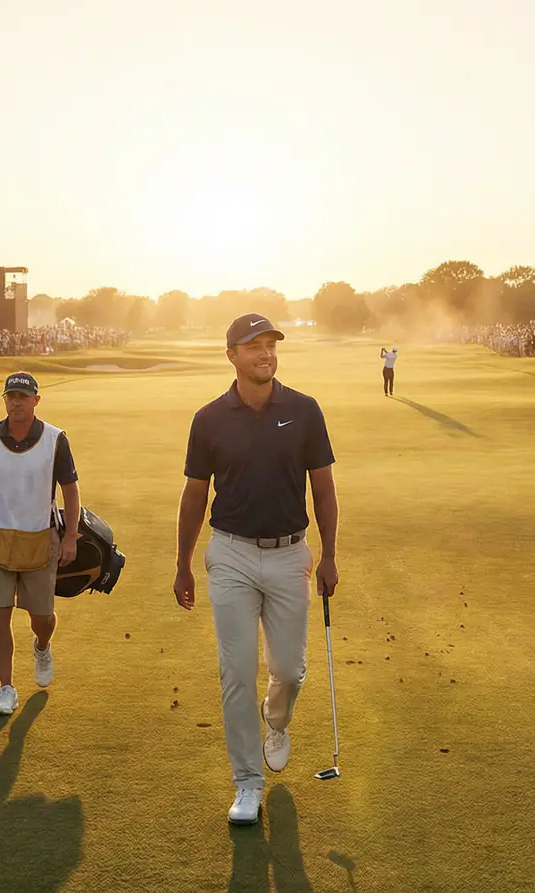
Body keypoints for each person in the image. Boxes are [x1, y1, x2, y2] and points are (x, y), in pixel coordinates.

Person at [173, 313, 339, 827]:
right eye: (253, 346)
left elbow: (324, 489)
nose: (265, 353)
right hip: (232, 555)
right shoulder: (209, 419)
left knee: (288, 670)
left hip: (291, 554)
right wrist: (182, 564)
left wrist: (329, 553)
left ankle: (277, 720)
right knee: (236, 675)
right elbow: (195, 495)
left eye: (270, 345)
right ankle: (247, 781)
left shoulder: (305, 410)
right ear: (231, 355)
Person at [0, 372, 81, 718]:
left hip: (40, 539)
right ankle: (6, 687)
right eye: (11, 396)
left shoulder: (56, 439)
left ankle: (41, 646)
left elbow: (70, 489)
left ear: (36, 400)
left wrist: (70, 536)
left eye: (23, 396)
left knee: (43, 617)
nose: (16, 402)